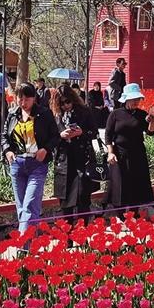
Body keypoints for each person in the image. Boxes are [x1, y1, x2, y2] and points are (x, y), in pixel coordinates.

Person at [1, 83, 60, 234]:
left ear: (34, 98)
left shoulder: (44, 114)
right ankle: (29, 242)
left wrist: (45, 149)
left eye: (27, 99)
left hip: (37, 164)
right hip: (17, 163)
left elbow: (55, 136)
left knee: (30, 205)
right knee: (21, 207)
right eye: (20, 99)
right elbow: (4, 136)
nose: (23, 103)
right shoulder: (12, 114)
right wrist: (7, 150)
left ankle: (23, 243)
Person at [51, 84, 99, 224]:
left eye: (68, 102)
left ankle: (83, 231)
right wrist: (61, 135)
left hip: (82, 159)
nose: (66, 105)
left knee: (83, 196)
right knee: (65, 200)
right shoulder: (55, 116)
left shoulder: (84, 112)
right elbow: (49, 138)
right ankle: (67, 232)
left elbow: (94, 132)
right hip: (64, 160)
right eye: (62, 103)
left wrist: (81, 133)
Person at [105, 83, 154, 211]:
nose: (136, 102)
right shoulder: (115, 114)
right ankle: (120, 214)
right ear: (126, 99)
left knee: (137, 183)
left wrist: (152, 121)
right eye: (133, 99)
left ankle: (135, 213)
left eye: (138, 99)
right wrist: (110, 152)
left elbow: (150, 132)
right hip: (120, 153)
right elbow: (108, 135)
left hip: (137, 153)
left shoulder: (141, 114)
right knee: (120, 183)